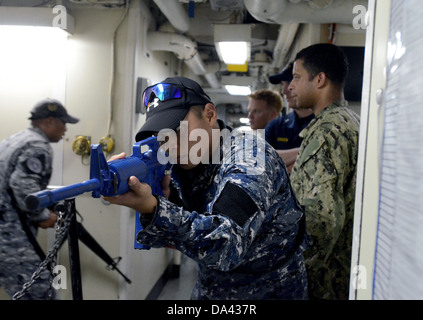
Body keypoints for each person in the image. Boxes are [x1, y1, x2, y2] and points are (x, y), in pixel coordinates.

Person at [105, 76, 308, 300]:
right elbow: (184, 235)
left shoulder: (250, 159)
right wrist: (164, 200)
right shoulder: (185, 159)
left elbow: (226, 245)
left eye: (177, 129)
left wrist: (156, 210)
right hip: (213, 288)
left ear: (210, 114)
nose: (169, 143)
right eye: (161, 136)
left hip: (268, 291)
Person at [288, 43, 360, 300]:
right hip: (342, 274)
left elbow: (321, 221)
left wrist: (289, 273)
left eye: (297, 77)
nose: (290, 86)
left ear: (319, 79)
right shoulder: (350, 120)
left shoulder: (326, 132)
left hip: (322, 283)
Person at [0, 99, 79, 300]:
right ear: (50, 121)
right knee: (41, 294)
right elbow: (22, 186)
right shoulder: (37, 145)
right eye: (63, 123)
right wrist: (42, 215)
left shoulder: (15, 139)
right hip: (9, 237)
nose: (65, 130)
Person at [266, 62, 315, 173]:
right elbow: (264, 163)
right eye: (283, 85)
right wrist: (308, 151)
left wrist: (282, 162)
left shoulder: (323, 125)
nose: (284, 91)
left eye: (289, 82)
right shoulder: (275, 126)